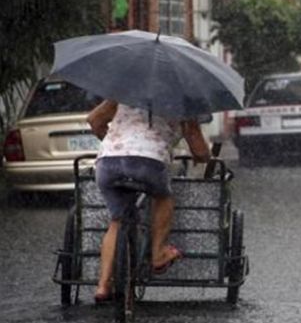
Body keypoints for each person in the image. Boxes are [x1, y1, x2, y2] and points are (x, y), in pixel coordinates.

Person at [87, 100, 211, 302]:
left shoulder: (123, 93)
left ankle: (102, 285)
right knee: (163, 198)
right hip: (148, 162)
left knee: (117, 219)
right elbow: (198, 148)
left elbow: (93, 120)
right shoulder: (182, 102)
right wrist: (204, 157)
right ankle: (159, 253)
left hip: (108, 163)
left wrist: (114, 142)